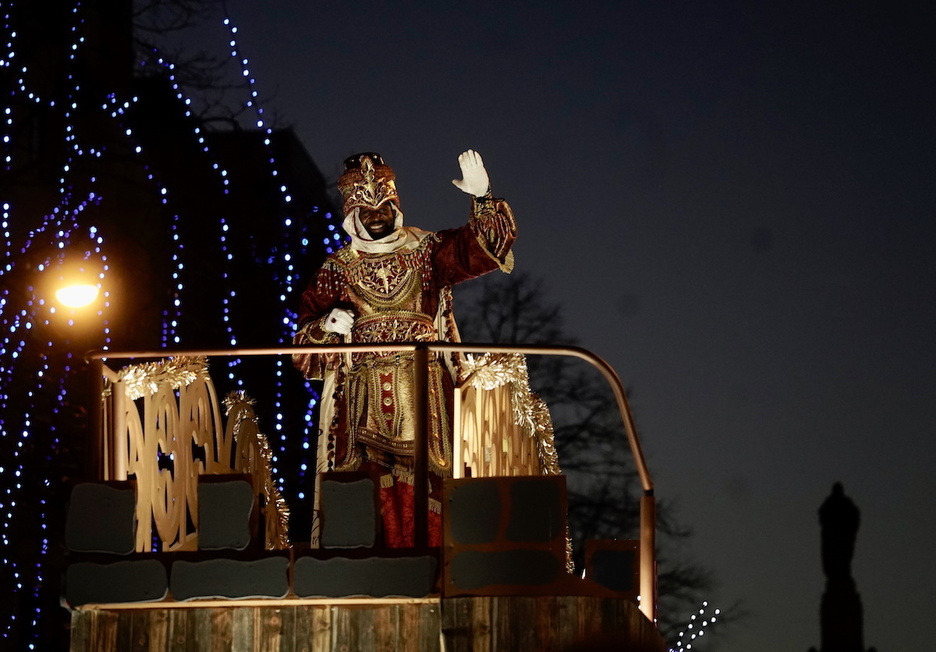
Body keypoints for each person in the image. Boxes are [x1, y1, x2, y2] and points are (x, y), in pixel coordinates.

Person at [293, 150, 516, 547]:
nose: (377, 217)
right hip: (362, 401)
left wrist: (482, 197)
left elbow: (485, 248)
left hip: (425, 393)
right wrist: (325, 327)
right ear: (352, 215)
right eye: (368, 211)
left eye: (384, 208)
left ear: (395, 206)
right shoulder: (334, 270)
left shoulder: (426, 251)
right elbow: (301, 350)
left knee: (434, 487)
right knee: (364, 494)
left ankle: (437, 572)